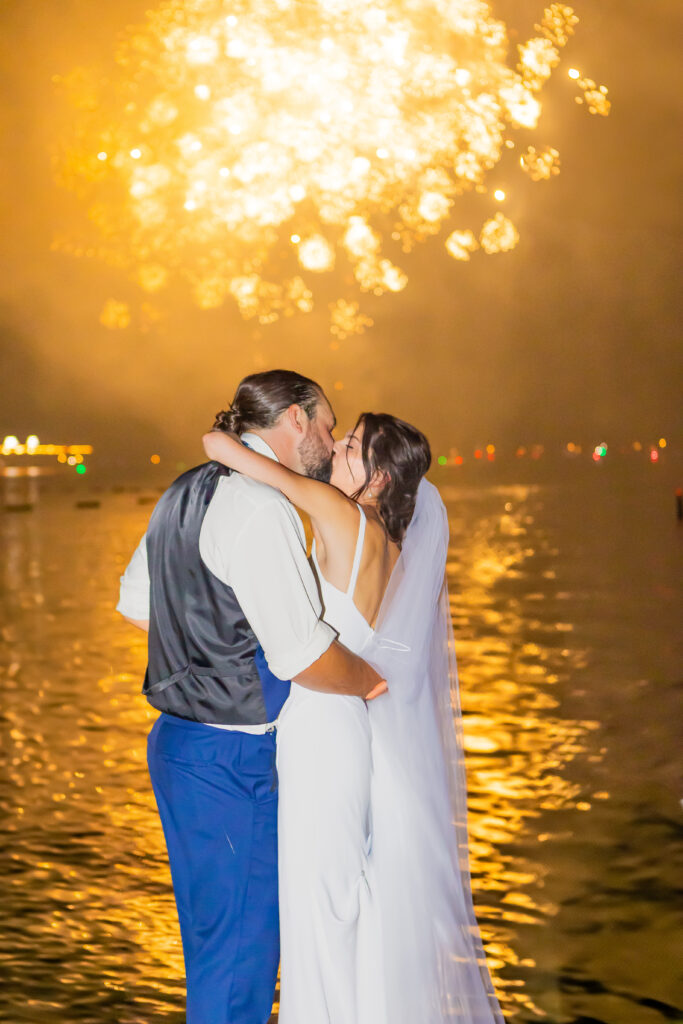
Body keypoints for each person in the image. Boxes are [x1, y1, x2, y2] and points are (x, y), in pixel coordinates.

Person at [203, 414, 505, 1023]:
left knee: (319, 909)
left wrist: (250, 427)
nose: (335, 450)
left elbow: (221, 450)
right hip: (352, 731)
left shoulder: (341, 515)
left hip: (320, 729)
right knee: (341, 901)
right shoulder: (392, 550)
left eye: (349, 446)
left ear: (377, 478)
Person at [116, 370, 384, 1024]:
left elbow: (135, 607)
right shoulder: (264, 510)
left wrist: (216, 642)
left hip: (177, 749)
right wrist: (371, 683)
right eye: (326, 424)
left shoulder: (185, 488)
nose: (328, 438)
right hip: (230, 761)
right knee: (239, 964)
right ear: (295, 419)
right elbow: (307, 659)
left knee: (216, 948)